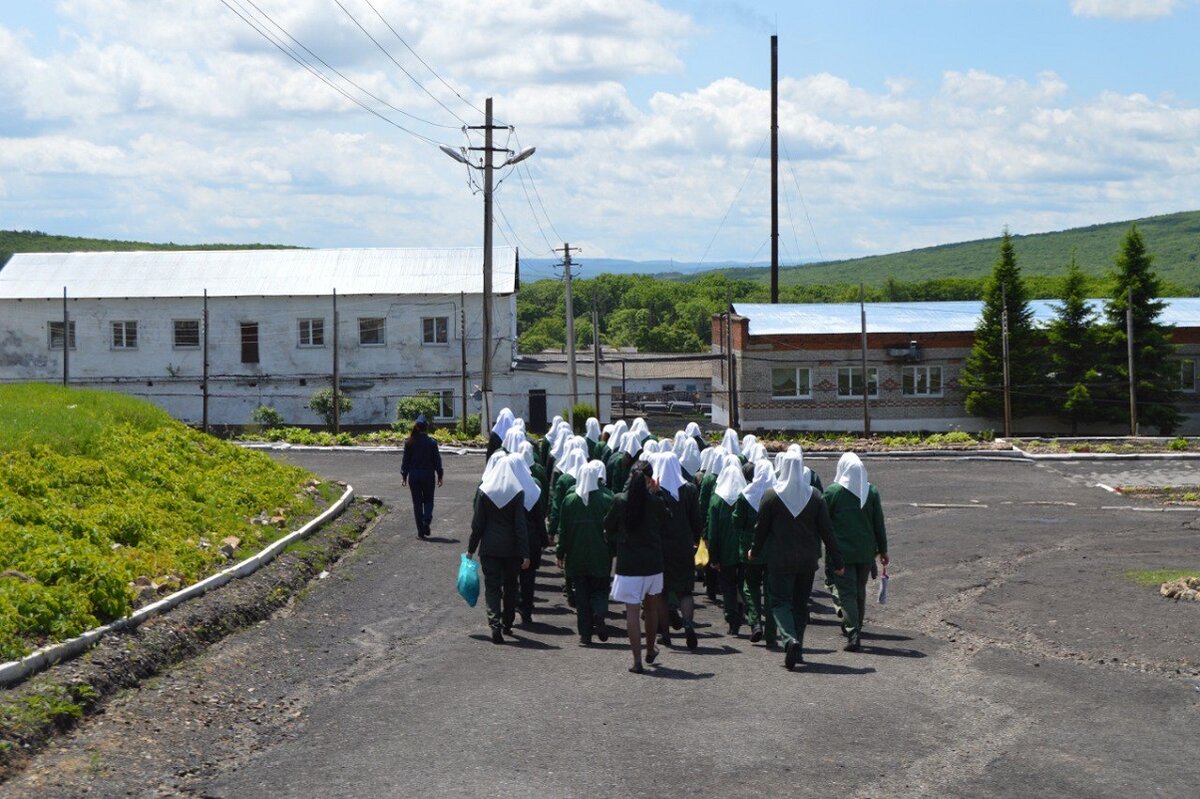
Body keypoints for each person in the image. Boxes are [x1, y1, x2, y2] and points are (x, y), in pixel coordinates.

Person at [748, 452, 844, 670]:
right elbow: (828, 532)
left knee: (780, 601)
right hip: (807, 561)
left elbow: (761, 529)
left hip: (779, 560)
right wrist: (838, 561)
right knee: (800, 604)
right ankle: (798, 646)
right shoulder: (816, 496)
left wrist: (754, 551)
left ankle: (789, 639)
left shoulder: (771, 496)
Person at [604, 462, 669, 674]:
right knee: (651, 608)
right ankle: (651, 649)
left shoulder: (620, 500)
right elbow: (668, 518)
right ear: (650, 480)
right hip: (652, 561)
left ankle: (637, 661)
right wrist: (658, 494)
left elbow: (608, 524)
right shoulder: (653, 501)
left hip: (628, 562)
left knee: (632, 611)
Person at [823, 453, 888, 652]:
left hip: (842, 553)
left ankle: (853, 632)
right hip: (866, 553)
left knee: (846, 592)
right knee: (859, 590)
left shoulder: (833, 492)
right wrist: (883, 550)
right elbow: (879, 524)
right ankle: (856, 625)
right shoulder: (872, 492)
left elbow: (823, 521)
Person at [467, 456, 530, 644]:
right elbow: (520, 525)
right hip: (511, 550)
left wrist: (471, 548)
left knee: (492, 587)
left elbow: (478, 524)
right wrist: (525, 552)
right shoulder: (517, 491)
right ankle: (508, 622)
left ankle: (494, 624)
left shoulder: (485, 490)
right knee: (511, 586)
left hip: (489, 548)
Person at [557, 461, 615, 645]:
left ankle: (585, 633)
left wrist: (560, 552)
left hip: (576, 555)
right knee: (600, 589)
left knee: (581, 594)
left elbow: (563, 530)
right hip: (600, 554)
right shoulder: (606, 499)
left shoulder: (570, 500)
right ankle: (599, 613)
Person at [653, 451, 703, 650]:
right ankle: (689, 624)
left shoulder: (656, 491)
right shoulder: (689, 489)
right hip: (684, 545)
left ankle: (665, 634)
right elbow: (696, 520)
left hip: (662, 547)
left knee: (663, 592)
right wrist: (697, 540)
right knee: (685, 590)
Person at [736, 460, 776, 646]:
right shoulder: (777, 494)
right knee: (771, 588)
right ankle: (771, 630)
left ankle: (755, 622)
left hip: (750, 547)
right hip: (773, 549)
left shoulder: (746, 494)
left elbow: (737, 521)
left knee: (750, 585)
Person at [706, 459, 748, 635]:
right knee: (743, 583)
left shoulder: (716, 500)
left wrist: (713, 557)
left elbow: (712, 532)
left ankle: (732, 618)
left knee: (728, 586)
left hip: (724, 552)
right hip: (744, 549)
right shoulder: (747, 496)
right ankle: (742, 610)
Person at [507, 453, 546, 627]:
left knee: (509, 576)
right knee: (528, 578)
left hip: (510, 539)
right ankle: (527, 611)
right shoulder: (534, 486)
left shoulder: (506, 486)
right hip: (531, 539)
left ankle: (512, 606)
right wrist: (544, 539)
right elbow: (540, 517)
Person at [401, 414, 444, 539]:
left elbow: (405, 461)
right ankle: (427, 520)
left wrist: (404, 475)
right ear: (426, 428)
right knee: (429, 500)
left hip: (414, 476)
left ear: (417, 427)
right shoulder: (431, 443)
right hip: (428, 476)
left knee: (417, 503)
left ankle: (420, 531)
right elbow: (437, 461)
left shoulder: (409, 442)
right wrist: (440, 475)